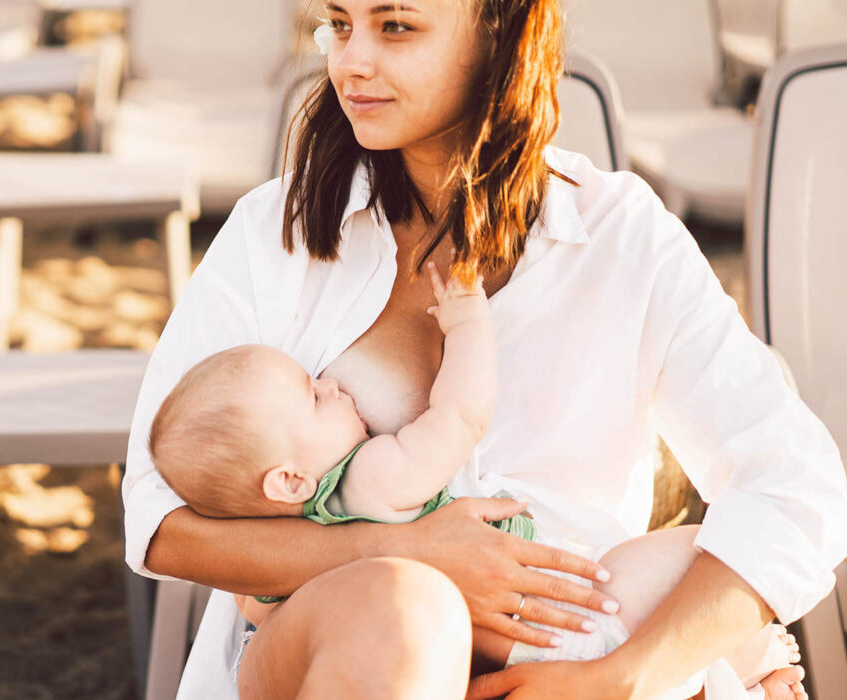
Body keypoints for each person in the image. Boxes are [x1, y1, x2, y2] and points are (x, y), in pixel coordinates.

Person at [121, 0, 847, 697]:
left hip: (565, 657)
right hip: (335, 652)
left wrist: (617, 682)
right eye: (339, 26)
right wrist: (401, 550)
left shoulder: (624, 238)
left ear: (501, 34)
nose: (350, 63)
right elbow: (158, 520)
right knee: (406, 608)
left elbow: (797, 488)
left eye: (396, 26)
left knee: (692, 588)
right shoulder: (275, 231)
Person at [145, 270, 802, 699]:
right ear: (290, 479)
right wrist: (469, 328)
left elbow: (257, 611)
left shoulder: (273, 551)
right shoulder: (368, 476)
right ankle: (750, 664)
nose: (330, 383)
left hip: (495, 650)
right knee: (689, 556)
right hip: (560, 623)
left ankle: (733, 668)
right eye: (313, 397)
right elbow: (457, 418)